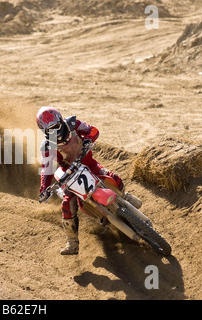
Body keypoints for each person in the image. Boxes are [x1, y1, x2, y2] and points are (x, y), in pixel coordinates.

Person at [36, 106, 142, 255]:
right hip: (70, 174)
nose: (55, 131)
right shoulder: (47, 146)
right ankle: (72, 242)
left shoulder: (73, 124)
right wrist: (44, 188)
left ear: (61, 120)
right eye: (50, 130)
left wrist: (88, 140)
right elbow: (47, 170)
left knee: (114, 179)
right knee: (67, 203)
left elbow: (93, 130)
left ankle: (124, 196)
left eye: (56, 126)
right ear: (44, 132)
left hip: (89, 164)